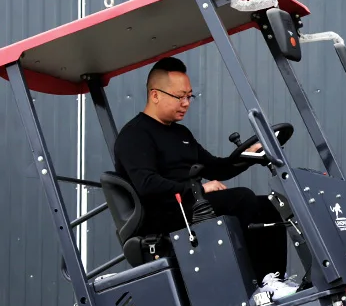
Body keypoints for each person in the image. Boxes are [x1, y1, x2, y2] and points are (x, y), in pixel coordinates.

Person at [114, 56, 286, 281]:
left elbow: (218, 168)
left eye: (189, 96)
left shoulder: (181, 133)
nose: (186, 103)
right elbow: (147, 185)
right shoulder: (135, 135)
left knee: (270, 205)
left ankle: (274, 279)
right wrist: (198, 190)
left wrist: (251, 155)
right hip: (165, 213)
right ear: (155, 95)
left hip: (191, 204)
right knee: (243, 198)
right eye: (179, 97)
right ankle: (257, 280)